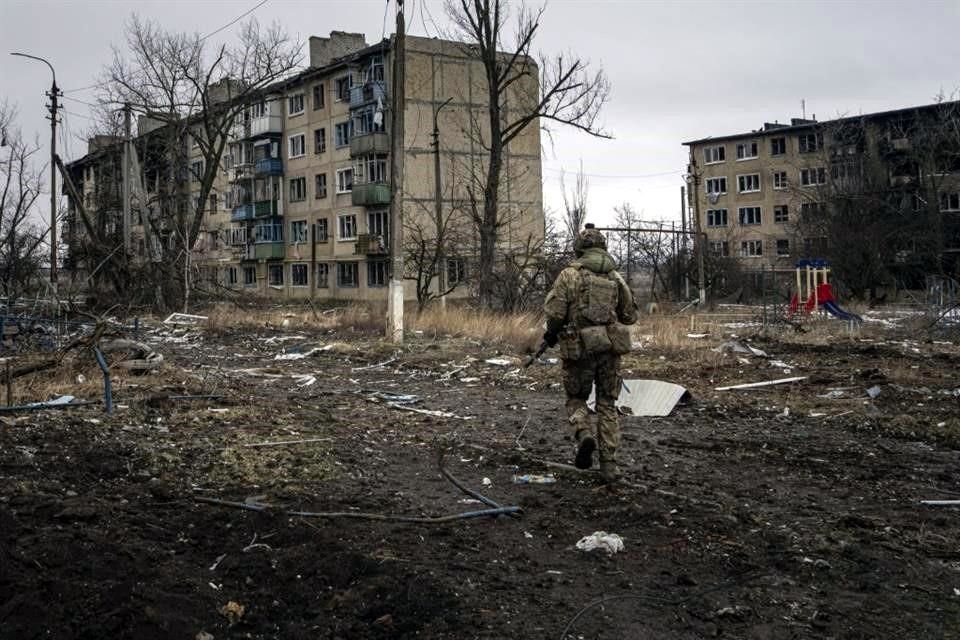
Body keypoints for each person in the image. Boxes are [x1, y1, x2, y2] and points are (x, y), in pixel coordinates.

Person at [542, 224, 637, 482]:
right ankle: (609, 467)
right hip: (609, 350)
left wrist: (551, 333)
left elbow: (555, 314)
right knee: (607, 404)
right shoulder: (615, 277)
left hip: (579, 350)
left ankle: (583, 433)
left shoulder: (569, 275)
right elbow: (629, 316)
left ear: (579, 249)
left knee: (576, 398)